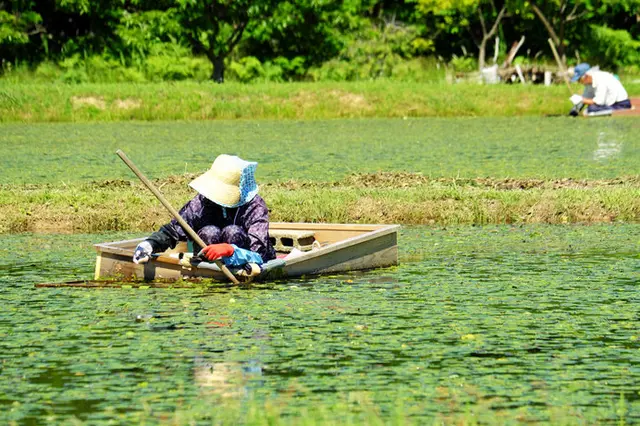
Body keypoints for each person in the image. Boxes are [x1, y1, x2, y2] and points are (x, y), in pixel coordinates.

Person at [132, 154, 276, 271]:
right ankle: (208, 270)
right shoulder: (203, 201)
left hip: (243, 261)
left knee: (232, 232)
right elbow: (176, 228)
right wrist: (150, 244)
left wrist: (230, 250)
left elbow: (259, 252)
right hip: (208, 262)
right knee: (209, 232)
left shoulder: (254, 206)